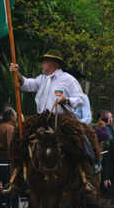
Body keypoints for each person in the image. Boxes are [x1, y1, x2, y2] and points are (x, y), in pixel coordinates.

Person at [6, 51, 95, 194]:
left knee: (79, 138)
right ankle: (16, 178)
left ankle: (85, 178)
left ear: (53, 63)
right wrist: (18, 74)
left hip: (60, 119)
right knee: (19, 137)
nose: (42, 64)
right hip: (41, 118)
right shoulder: (43, 78)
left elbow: (81, 98)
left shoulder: (68, 79)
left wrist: (66, 100)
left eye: (44, 62)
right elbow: (27, 84)